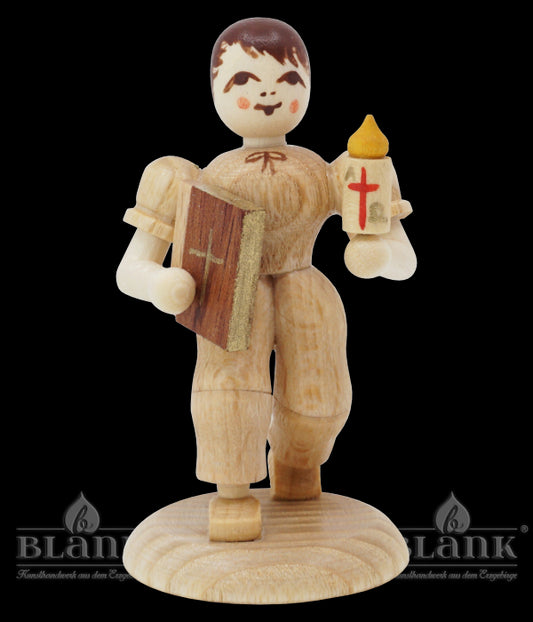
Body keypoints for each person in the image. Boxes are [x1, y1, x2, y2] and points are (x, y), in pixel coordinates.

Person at [116, 17, 416, 542]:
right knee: (228, 391)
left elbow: (403, 256)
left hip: (304, 283)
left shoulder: (331, 171)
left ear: (308, 88)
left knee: (321, 399)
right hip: (230, 288)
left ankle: (297, 464)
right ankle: (232, 493)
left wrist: (379, 256)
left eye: (288, 81)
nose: (268, 94)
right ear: (215, 89)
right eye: (244, 81)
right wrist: (160, 284)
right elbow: (129, 269)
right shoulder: (196, 177)